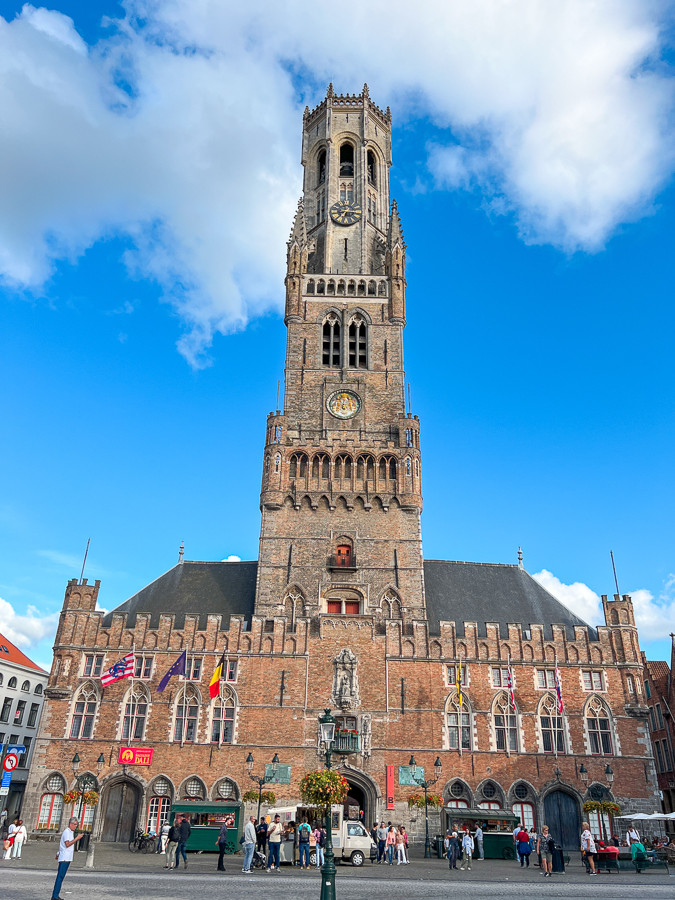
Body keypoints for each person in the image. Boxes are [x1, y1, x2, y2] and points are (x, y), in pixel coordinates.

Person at [51, 817, 84, 900]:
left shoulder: (70, 832)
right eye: (75, 824)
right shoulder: (67, 832)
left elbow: (62, 845)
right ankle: (54, 896)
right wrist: (77, 838)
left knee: (61, 877)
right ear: (71, 824)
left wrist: (58, 853)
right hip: (65, 858)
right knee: (60, 877)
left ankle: (56, 895)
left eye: (77, 824)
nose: (76, 826)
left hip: (66, 857)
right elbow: (67, 844)